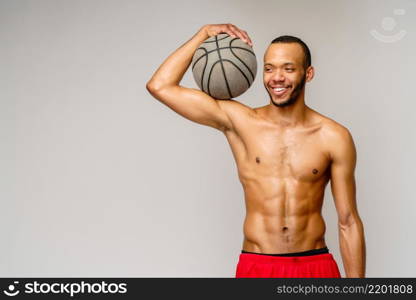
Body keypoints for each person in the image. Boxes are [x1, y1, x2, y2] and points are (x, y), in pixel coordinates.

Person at [146, 23, 366, 278]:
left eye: (288, 68)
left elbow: (348, 221)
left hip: (315, 266)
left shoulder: (334, 136)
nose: (277, 78)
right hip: (258, 266)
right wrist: (204, 34)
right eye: (269, 68)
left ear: (308, 74)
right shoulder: (241, 122)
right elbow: (160, 85)